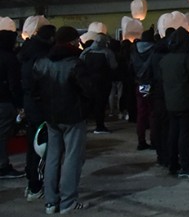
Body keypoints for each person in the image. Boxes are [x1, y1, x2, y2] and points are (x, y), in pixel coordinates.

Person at [32, 26, 94, 214]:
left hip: (51, 117)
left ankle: (51, 201)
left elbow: (35, 91)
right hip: (73, 116)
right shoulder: (76, 63)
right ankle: (68, 201)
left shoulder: (41, 63)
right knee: (72, 158)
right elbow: (89, 90)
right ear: (72, 41)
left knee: (51, 158)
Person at [17, 24, 56, 198]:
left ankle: (32, 182)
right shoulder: (42, 56)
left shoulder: (27, 52)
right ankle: (36, 185)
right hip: (40, 105)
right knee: (42, 146)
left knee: (33, 144)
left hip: (30, 103)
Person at [159, 27, 189, 178]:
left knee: (173, 133)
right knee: (185, 135)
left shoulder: (165, 60)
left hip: (170, 102)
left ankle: (173, 164)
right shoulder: (188, 59)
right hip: (186, 101)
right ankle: (186, 165)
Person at [0, 26, 23, 179]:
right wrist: (19, 104)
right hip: (4, 101)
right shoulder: (10, 58)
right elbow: (14, 84)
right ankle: (2, 166)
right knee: (2, 135)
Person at [82, 33, 117, 134]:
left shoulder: (86, 52)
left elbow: (80, 64)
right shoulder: (107, 52)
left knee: (89, 104)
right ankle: (100, 126)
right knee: (100, 105)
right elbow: (113, 65)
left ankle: (85, 125)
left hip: (88, 82)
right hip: (103, 82)